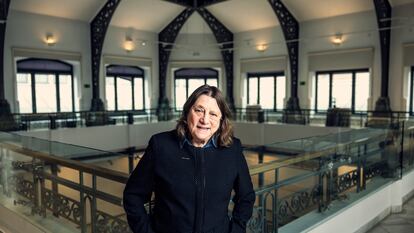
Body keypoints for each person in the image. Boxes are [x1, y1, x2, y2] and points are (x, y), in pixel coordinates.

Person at [123, 85, 255, 233]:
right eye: (199, 110)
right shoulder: (161, 145)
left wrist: (236, 230)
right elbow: (133, 195)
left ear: (221, 120)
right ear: (187, 112)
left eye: (213, 114)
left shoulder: (232, 149)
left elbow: (246, 196)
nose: (205, 120)